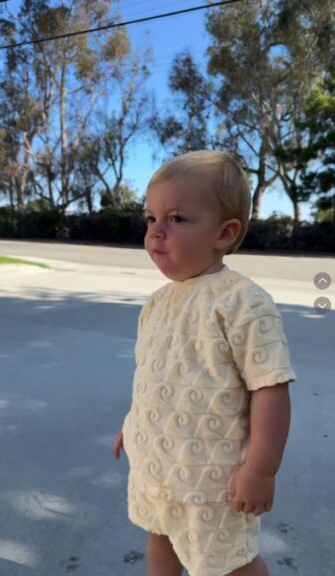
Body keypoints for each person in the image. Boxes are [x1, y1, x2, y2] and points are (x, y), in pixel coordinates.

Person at [114, 151, 295, 576]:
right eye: (150, 218)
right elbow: (155, 376)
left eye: (176, 219)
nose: (156, 231)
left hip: (214, 478)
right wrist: (133, 424)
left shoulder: (244, 302)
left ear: (224, 233)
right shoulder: (157, 303)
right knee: (160, 536)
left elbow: (271, 387)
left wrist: (260, 469)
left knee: (229, 562)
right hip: (159, 466)